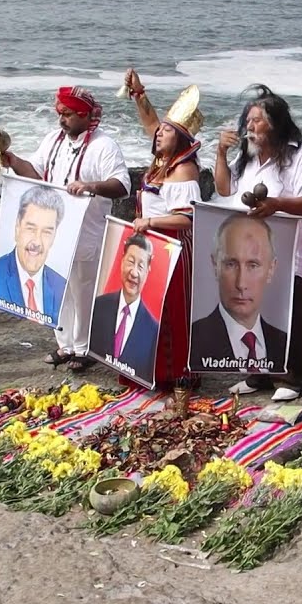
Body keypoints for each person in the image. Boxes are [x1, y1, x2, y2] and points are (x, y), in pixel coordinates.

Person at [3, 86, 130, 372]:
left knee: (83, 291)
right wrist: (14, 162)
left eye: (68, 114)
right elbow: (36, 173)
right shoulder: (53, 140)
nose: (62, 119)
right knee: (58, 290)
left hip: (87, 233)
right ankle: (65, 344)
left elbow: (122, 185)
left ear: (85, 116)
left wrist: (90, 186)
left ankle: (85, 348)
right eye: (60, 113)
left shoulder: (104, 145)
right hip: (55, 232)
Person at [214, 85, 302, 401]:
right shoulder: (246, 160)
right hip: (249, 249)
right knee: (253, 306)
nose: (250, 125)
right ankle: (257, 373)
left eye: (258, 120)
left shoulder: (300, 155)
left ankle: (291, 376)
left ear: (276, 124)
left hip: (287, 248)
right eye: (248, 119)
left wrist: (277, 204)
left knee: (287, 310)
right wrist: (220, 153)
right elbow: (223, 189)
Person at [121, 70, 203, 391]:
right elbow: (151, 123)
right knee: (145, 308)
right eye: (160, 131)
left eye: (166, 132)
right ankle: (144, 368)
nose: (158, 134)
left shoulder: (183, 170)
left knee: (168, 312)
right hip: (149, 245)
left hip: (173, 248)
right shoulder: (162, 160)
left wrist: (151, 222)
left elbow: (186, 218)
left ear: (179, 138)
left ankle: (173, 373)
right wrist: (139, 93)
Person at [190, 213, 288, 373]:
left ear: (271, 269)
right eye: (231, 264)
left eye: (253, 265)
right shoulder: (193, 341)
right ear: (215, 266)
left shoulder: (283, 344)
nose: (241, 284)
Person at [89, 233, 160, 383]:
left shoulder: (153, 330)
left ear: (147, 272)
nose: (134, 272)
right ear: (121, 261)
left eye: (140, 266)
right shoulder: (99, 306)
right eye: (130, 262)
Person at [0, 185, 68, 322]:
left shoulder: (60, 285)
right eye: (31, 228)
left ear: (54, 236)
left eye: (46, 232)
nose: (37, 241)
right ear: (17, 228)